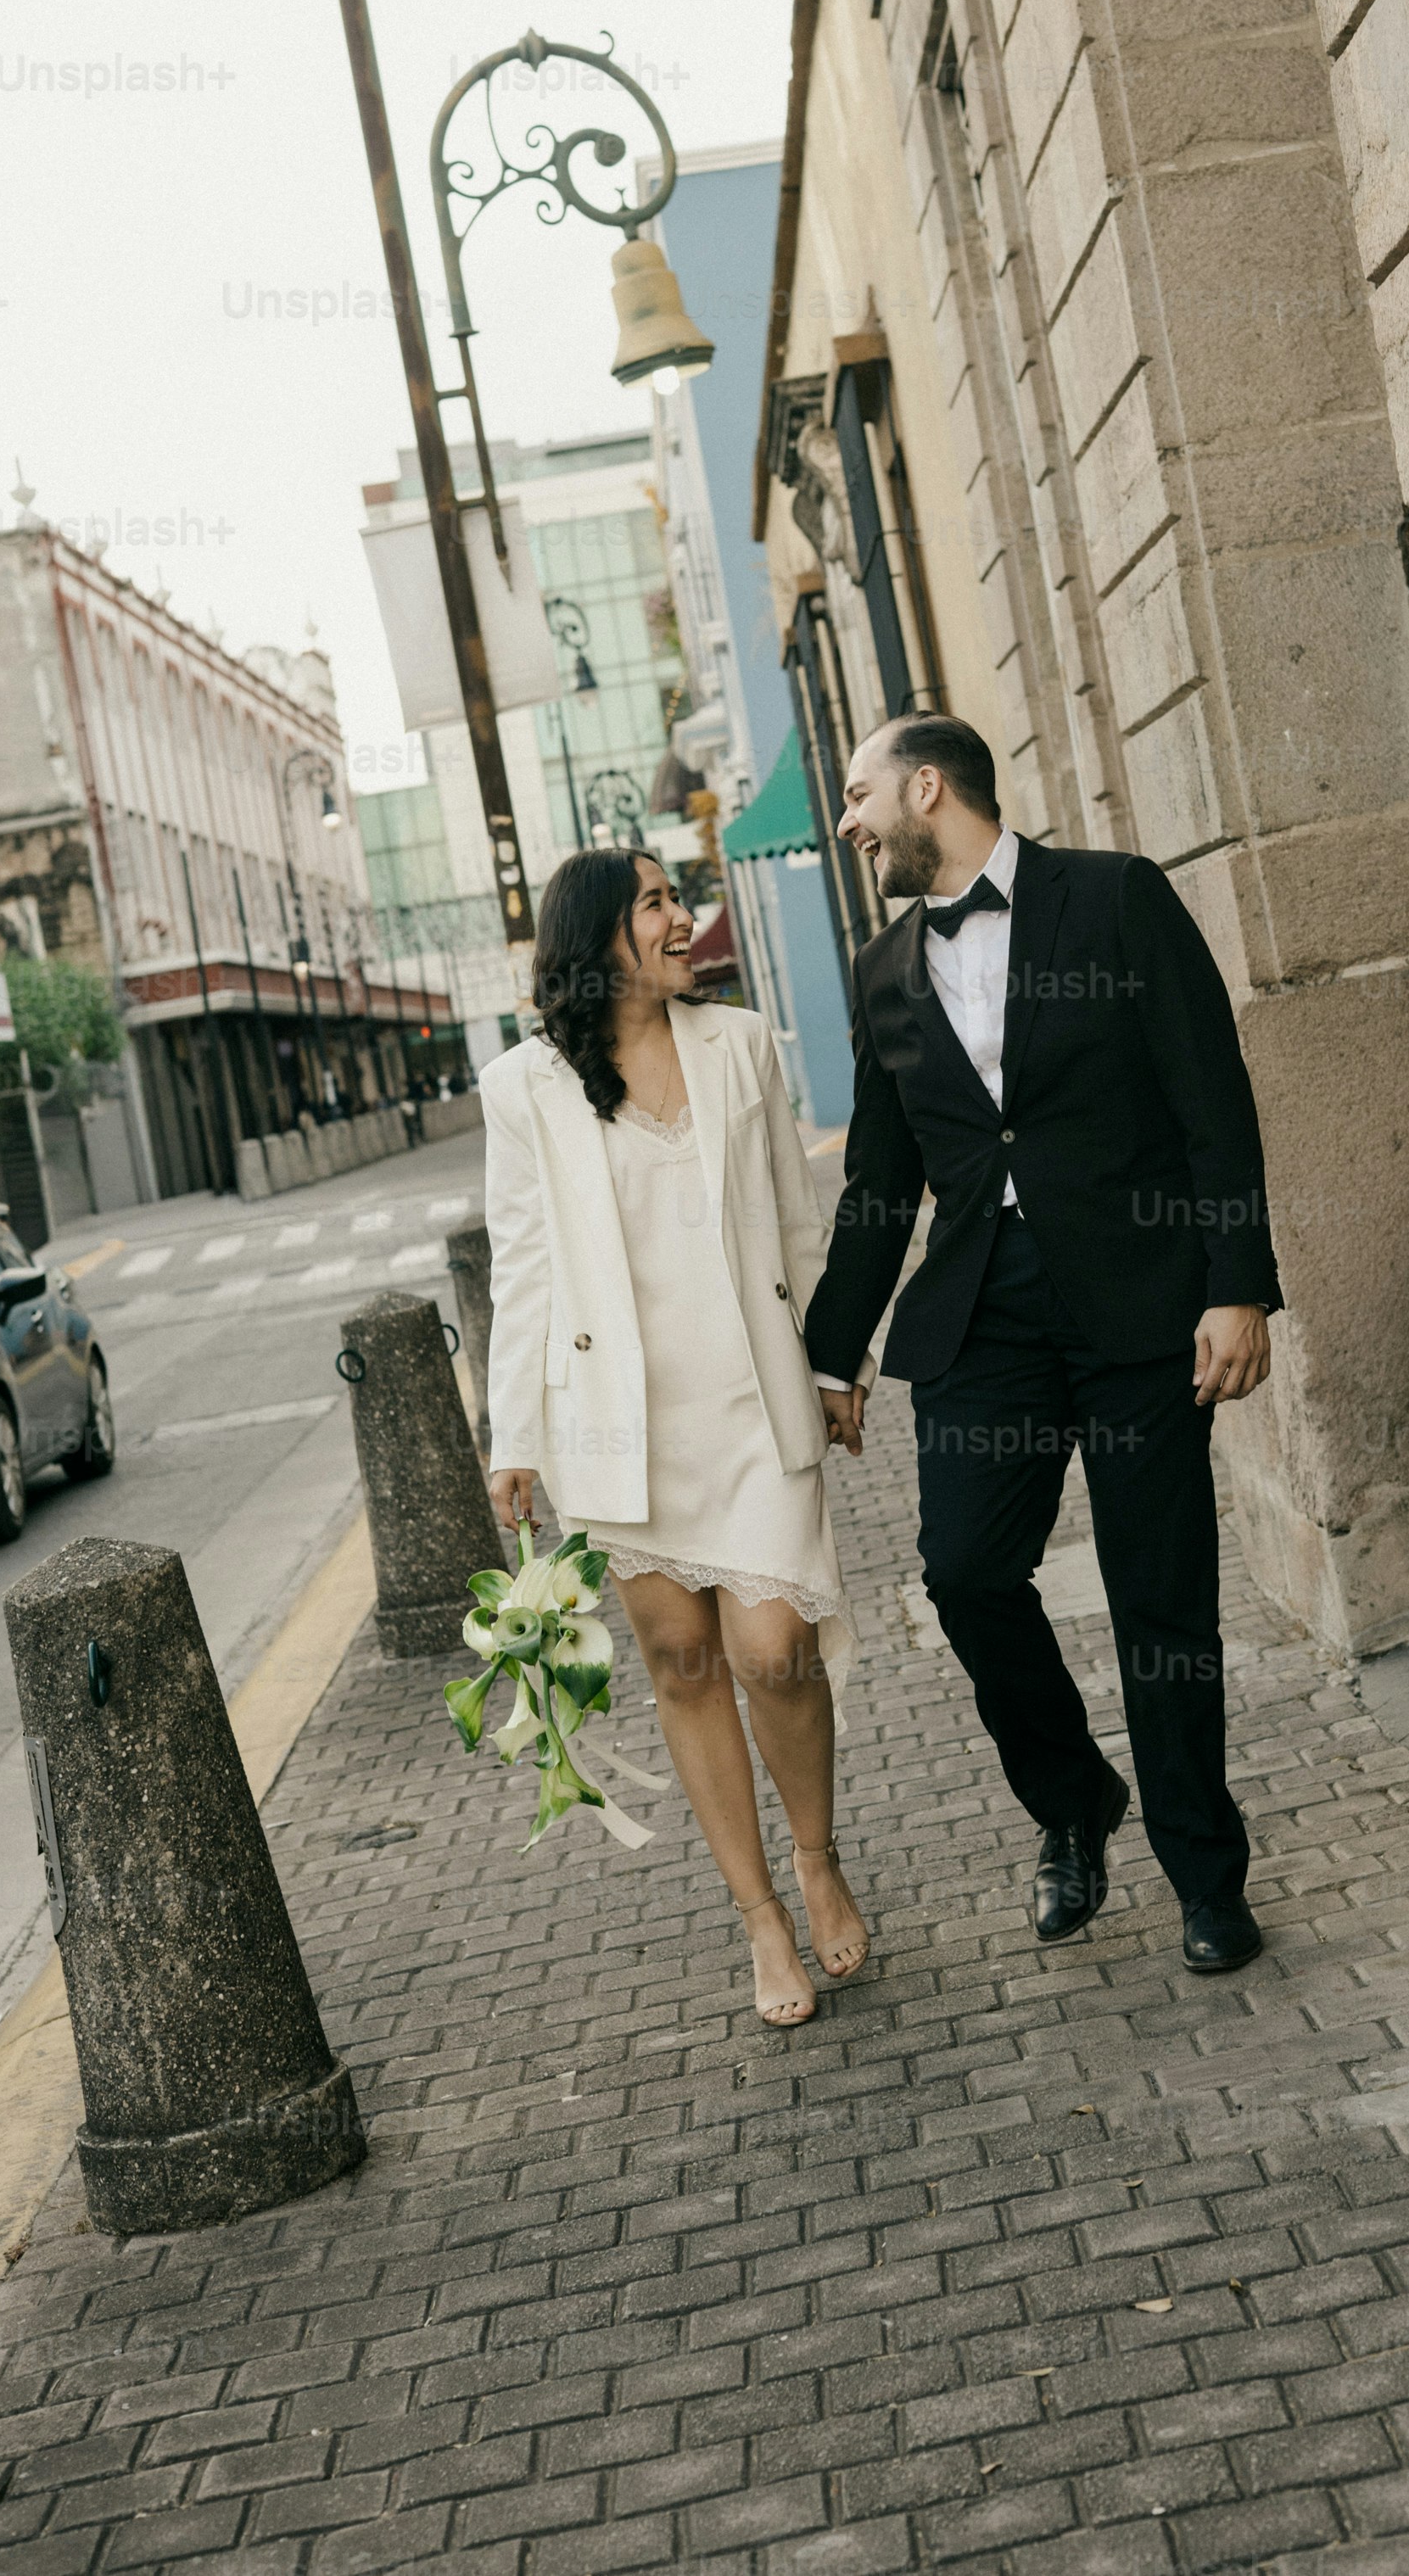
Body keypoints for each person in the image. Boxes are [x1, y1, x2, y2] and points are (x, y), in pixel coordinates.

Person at [804, 716, 1280, 1975]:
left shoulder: (1115, 899)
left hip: (1137, 1301)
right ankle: (1074, 1800)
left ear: (926, 785)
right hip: (983, 1316)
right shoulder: (883, 972)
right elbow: (878, 1180)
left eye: (859, 795)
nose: (848, 822)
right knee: (963, 1570)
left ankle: (1204, 1872)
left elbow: (1211, 1096)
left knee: (1160, 1601)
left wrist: (1238, 1282)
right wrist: (827, 1354)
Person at [483, 846, 871, 2027]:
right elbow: (528, 1267)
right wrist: (515, 1436)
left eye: (673, 898)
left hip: (752, 1399)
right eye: (655, 903)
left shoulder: (741, 1043)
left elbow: (798, 1223)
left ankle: (816, 1855)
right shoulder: (526, 1087)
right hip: (620, 1428)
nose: (680, 919)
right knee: (686, 1667)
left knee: (770, 1646)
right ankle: (761, 1917)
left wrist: (836, 1356)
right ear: (598, 934)